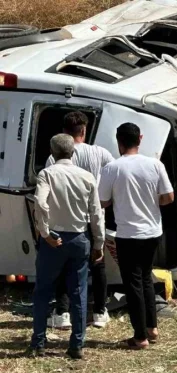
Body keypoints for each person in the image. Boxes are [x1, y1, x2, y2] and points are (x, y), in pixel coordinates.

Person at [98, 123, 174, 349]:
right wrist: (152, 203)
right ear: (140, 138)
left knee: (133, 284)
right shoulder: (155, 164)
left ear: (118, 140)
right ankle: (152, 327)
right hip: (152, 232)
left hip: (128, 234)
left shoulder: (113, 168)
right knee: (146, 278)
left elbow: (103, 201)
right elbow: (169, 196)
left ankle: (140, 336)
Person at [28, 134, 104, 359]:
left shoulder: (47, 174)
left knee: (43, 291)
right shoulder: (87, 177)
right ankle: (76, 345)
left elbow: (40, 203)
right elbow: (96, 213)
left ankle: (39, 342)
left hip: (54, 238)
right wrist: (98, 243)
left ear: (52, 153)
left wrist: (44, 232)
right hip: (79, 238)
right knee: (79, 292)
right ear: (73, 152)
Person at [47, 112, 115, 330]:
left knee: (65, 266)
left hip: (66, 219)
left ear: (64, 132)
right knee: (98, 265)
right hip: (94, 217)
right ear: (84, 130)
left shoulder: (54, 157)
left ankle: (62, 313)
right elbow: (115, 175)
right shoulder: (100, 153)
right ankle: (99, 312)